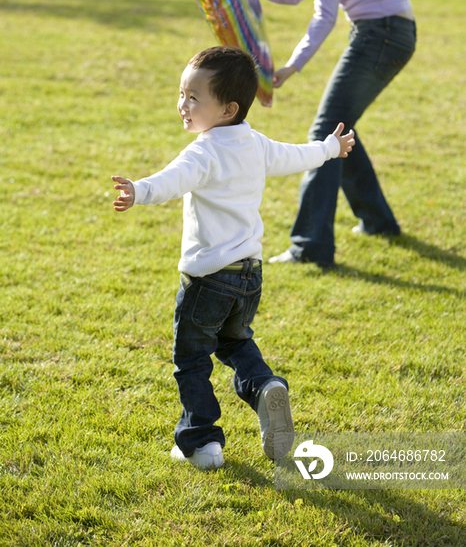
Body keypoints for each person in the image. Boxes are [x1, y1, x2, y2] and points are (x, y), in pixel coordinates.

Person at [112, 46, 355, 470]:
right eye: (182, 93)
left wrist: (139, 190)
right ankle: (265, 388)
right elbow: (296, 155)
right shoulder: (255, 143)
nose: (182, 105)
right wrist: (330, 148)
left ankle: (202, 442)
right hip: (249, 276)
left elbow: (172, 181)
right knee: (235, 342)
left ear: (227, 109)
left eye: (193, 97)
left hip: (206, 279)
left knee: (191, 359)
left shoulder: (204, 152)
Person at [243, 0, 416, 267]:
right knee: (340, 127)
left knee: (325, 130)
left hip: (385, 33)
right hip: (383, 30)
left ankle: (310, 246)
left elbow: (324, 12)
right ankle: (378, 221)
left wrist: (292, 65)